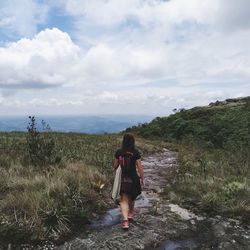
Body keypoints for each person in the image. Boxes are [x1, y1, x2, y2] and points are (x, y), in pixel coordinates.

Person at [113, 133, 144, 229]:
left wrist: (114, 171)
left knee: (124, 199)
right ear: (133, 142)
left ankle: (125, 221)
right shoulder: (135, 152)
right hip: (133, 178)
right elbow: (139, 167)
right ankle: (130, 213)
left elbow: (115, 166)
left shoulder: (119, 152)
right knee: (132, 196)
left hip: (123, 179)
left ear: (124, 141)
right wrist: (142, 178)